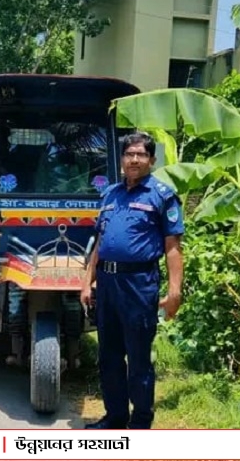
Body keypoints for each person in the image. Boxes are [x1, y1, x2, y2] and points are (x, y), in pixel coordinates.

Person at [80, 131, 184, 430]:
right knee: (108, 356)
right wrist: (87, 283)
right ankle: (115, 418)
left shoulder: (161, 195)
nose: (134, 159)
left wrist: (174, 292)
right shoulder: (110, 194)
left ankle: (140, 423)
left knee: (138, 358)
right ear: (122, 159)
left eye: (140, 154)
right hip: (106, 283)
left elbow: (173, 247)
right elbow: (99, 241)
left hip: (139, 284)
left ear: (151, 159)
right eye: (129, 154)